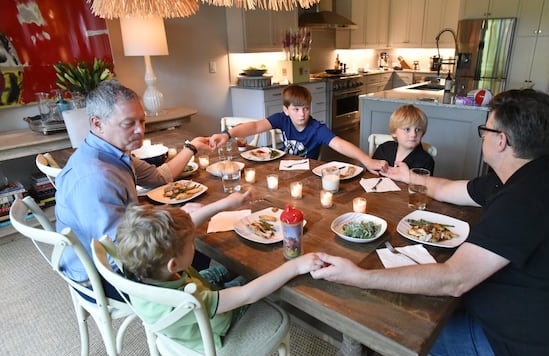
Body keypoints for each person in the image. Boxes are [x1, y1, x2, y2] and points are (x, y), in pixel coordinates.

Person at [311, 89, 549, 356]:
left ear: (502, 140)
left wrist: (361, 277)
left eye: (485, 130)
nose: (483, 136)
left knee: (395, 316)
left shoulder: (523, 202)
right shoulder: (523, 178)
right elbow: (449, 188)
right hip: (524, 321)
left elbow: (454, 279)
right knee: (412, 292)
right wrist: (410, 177)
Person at [55, 80, 249, 296]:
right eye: (129, 124)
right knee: (184, 239)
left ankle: (207, 282)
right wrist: (173, 217)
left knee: (190, 242)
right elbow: (121, 255)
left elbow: (158, 177)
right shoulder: (95, 178)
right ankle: (207, 300)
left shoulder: (113, 152)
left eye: (142, 121)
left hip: (118, 252)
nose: (140, 130)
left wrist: (192, 147)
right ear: (97, 123)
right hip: (102, 278)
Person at [115, 203, 324, 351]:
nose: (193, 243)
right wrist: (295, 267)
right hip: (215, 321)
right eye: (191, 243)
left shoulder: (140, 267)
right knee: (255, 277)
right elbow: (245, 295)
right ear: (173, 264)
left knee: (238, 270)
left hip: (195, 287)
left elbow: (183, 230)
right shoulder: (185, 300)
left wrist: (228, 203)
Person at [209, 84, 387, 174]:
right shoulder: (281, 119)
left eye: (306, 108)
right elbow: (255, 126)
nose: (302, 114)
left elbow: (340, 144)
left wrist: (366, 160)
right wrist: (228, 134)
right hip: (283, 169)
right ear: (286, 110)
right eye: (296, 109)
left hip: (307, 174)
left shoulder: (316, 128)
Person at [372, 104, 435, 174]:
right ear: (394, 132)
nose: (413, 134)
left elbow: (424, 184)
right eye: (407, 129)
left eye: (418, 129)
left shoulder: (426, 161)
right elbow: (370, 175)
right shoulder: (383, 149)